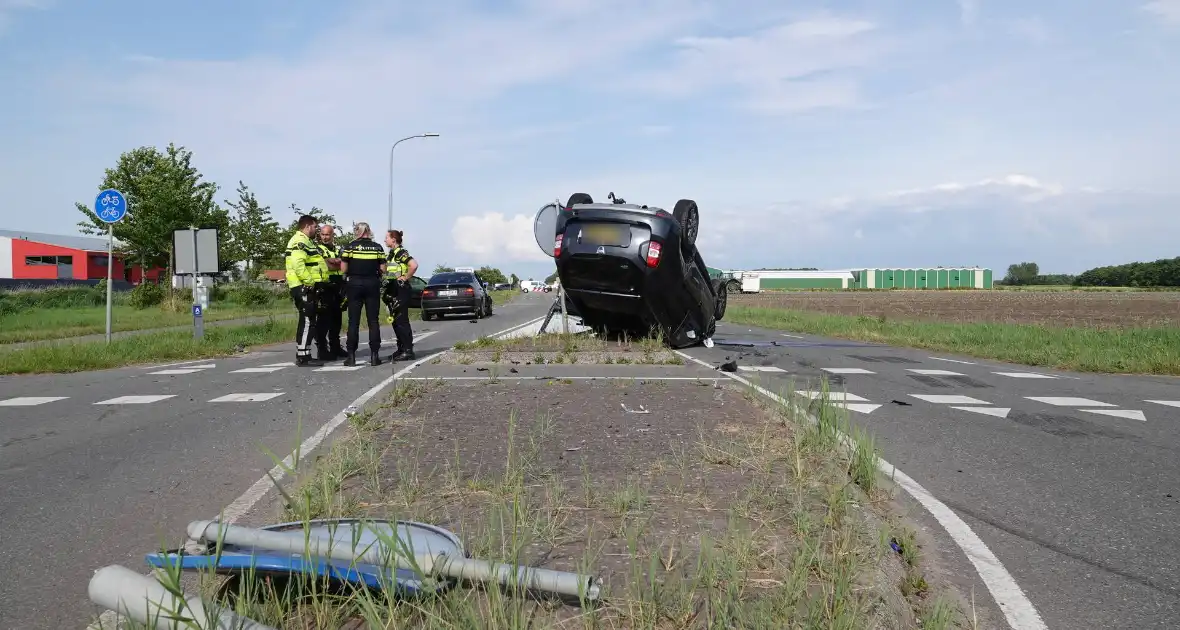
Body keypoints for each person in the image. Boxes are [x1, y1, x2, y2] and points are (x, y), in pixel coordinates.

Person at [339, 222, 386, 367]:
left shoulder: (349, 247)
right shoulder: (377, 247)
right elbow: (383, 269)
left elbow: (343, 268)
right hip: (372, 284)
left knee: (354, 321)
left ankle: (351, 356)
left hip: (354, 284)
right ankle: (374, 356)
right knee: (373, 321)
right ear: (369, 231)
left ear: (356, 232)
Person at [284, 214, 328, 366]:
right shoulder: (299, 241)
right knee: (308, 320)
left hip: (306, 285)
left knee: (308, 320)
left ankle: (305, 352)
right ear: (308, 226)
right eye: (315, 227)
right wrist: (309, 282)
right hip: (303, 286)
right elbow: (298, 264)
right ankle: (303, 356)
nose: (317, 230)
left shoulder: (306, 241)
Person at [383, 229, 418, 362]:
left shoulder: (401, 253)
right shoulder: (392, 254)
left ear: (394, 239)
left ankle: (408, 350)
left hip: (401, 289)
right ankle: (401, 348)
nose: (385, 240)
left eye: (386, 237)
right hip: (393, 289)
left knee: (402, 320)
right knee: (395, 320)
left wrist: (405, 277)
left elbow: (413, 265)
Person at [314, 224, 347, 361]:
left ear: (333, 235)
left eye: (328, 234)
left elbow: (344, 264)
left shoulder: (339, 249)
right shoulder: (316, 249)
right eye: (323, 234)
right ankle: (322, 350)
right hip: (324, 286)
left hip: (338, 287)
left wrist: (335, 262)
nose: (325, 237)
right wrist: (335, 262)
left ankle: (336, 347)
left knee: (336, 320)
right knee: (323, 320)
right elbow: (326, 264)